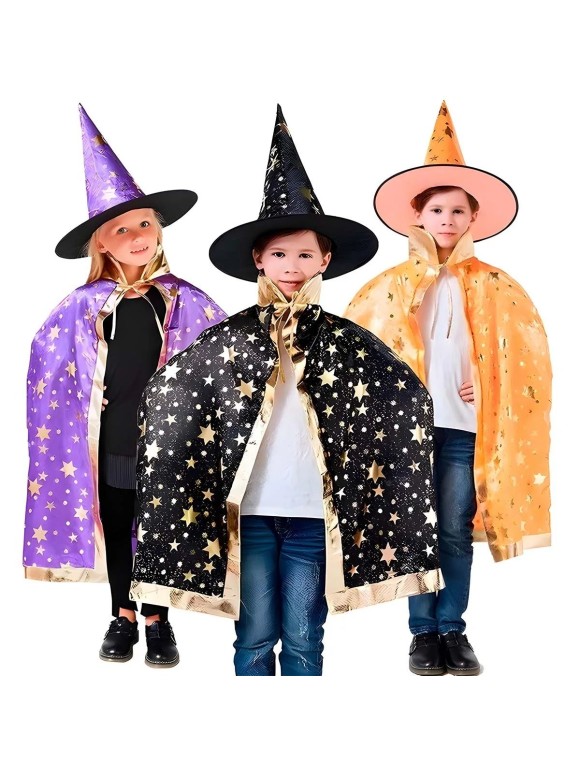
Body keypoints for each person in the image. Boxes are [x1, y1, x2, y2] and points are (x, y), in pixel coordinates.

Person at [130, 104, 443, 676]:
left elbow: (407, 394)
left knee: (303, 638)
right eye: (279, 253)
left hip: (311, 515)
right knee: (253, 638)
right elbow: (172, 389)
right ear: (259, 259)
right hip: (249, 514)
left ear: (325, 259)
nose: (292, 265)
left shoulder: (345, 341)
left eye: (304, 254)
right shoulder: (230, 339)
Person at [345, 101, 551, 676]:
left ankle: (452, 628)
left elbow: (526, 360)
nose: (448, 219)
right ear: (418, 214)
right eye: (437, 209)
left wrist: (488, 387)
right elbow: (359, 354)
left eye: (459, 210)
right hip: (406, 431)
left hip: (461, 427)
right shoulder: (388, 287)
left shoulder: (495, 286)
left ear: (473, 217)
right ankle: (421, 633)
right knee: (416, 529)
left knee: (455, 529)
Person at [23, 105, 225, 668]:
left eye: (145, 225)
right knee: (118, 523)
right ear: (103, 245)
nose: (137, 237)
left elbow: (219, 358)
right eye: (122, 230)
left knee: (159, 524)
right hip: (113, 434)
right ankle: (123, 614)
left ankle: (159, 620)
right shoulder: (84, 306)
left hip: (169, 438)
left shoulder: (184, 299)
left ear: (159, 229)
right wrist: (86, 394)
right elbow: (47, 364)